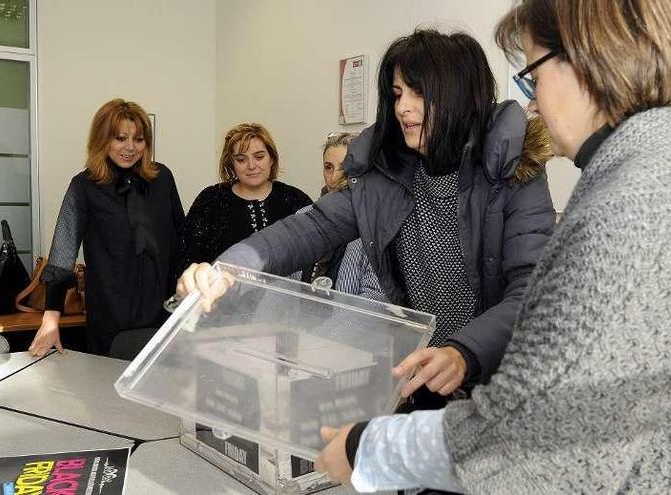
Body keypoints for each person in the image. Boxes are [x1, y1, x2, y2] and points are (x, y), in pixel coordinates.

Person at [312, 0, 671, 492]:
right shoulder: (668, 168)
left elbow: (534, 438)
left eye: (534, 76)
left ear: (586, 63)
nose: (534, 103)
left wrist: (367, 448)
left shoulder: (632, 205)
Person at [178, 29, 557, 410]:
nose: (403, 108)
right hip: (425, 378)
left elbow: (532, 291)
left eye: (417, 93)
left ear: (458, 94)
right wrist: (230, 268)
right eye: (396, 95)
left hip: (502, 386)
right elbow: (311, 227)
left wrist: (464, 353)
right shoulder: (386, 176)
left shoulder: (514, 173)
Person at [29, 99, 184, 358]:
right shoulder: (84, 186)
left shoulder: (162, 178)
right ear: (103, 139)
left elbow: (181, 238)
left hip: (163, 309)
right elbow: (62, 253)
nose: (130, 148)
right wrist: (51, 318)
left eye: (138, 139)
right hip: (111, 311)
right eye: (121, 138)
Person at [180, 123, 312, 267]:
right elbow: (187, 259)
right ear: (231, 164)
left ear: (272, 159)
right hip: (225, 288)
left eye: (259, 157)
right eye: (241, 159)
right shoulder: (211, 200)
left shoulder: (295, 200)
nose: (251, 165)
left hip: (285, 289)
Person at [301, 132, 386, 301]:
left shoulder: (379, 228)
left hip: (349, 326)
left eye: (344, 167)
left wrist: (331, 329)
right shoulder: (303, 215)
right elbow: (285, 284)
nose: (334, 178)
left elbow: (375, 299)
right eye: (328, 167)